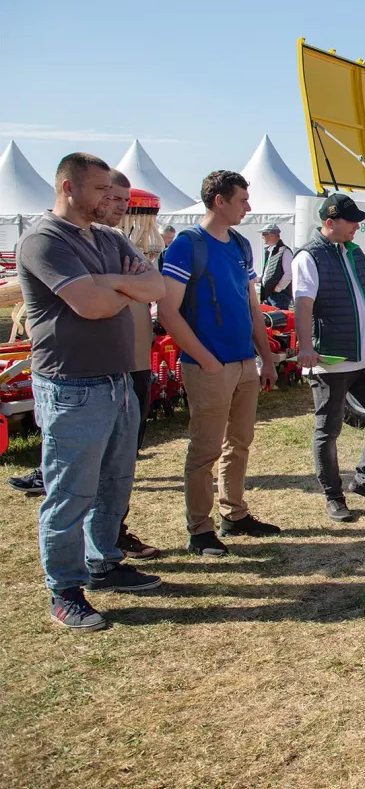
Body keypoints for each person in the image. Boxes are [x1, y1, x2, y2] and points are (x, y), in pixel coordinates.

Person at [18, 152, 166, 631]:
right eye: (101, 189)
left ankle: (104, 562)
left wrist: (113, 283)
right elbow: (93, 306)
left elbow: (156, 287)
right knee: (71, 491)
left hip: (118, 380)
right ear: (68, 187)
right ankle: (64, 589)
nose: (111, 198)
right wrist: (123, 287)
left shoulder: (106, 237)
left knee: (114, 483)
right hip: (71, 384)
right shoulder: (43, 240)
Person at [158, 170, 280, 556]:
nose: (249, 206)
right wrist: (206, 360)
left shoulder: (242, 245)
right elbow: (167, 312)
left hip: (245, 363)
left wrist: (267, 356)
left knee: (239, 443)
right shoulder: (186, 246)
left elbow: (252, 304)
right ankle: (200, 528)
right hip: (209, 367)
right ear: (219, 201)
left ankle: (235, 514)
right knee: (205, 450)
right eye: (242, 199)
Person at [293, 194, 365, 522]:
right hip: (331, 360)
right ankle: (333, 495)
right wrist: (306, 347)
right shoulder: (308, 257)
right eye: (351, 220)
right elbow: (303, 304)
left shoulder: (355, 253)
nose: (357, 225)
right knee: (328, 429)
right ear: (330, 222)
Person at [98, 171, 161, 559]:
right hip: (110, 368)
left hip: (136, 365)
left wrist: (127, 281)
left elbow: (153, 285)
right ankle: (105, 541)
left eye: (126, 202)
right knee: (106, 464)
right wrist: (126, 282)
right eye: (113, 199)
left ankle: (112, 533)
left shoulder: (119, 244)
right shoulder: (103, 245)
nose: (120, 208)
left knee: (123, 462)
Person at [259, 223, 294, 308]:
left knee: (279, 320)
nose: (262, 237)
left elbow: (289, 273)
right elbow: (268, 272)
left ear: (271, 235)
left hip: (279, 296)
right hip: (270, 294)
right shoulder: (270, 251)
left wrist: (278, 288)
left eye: (264, 234)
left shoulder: (285, 251)